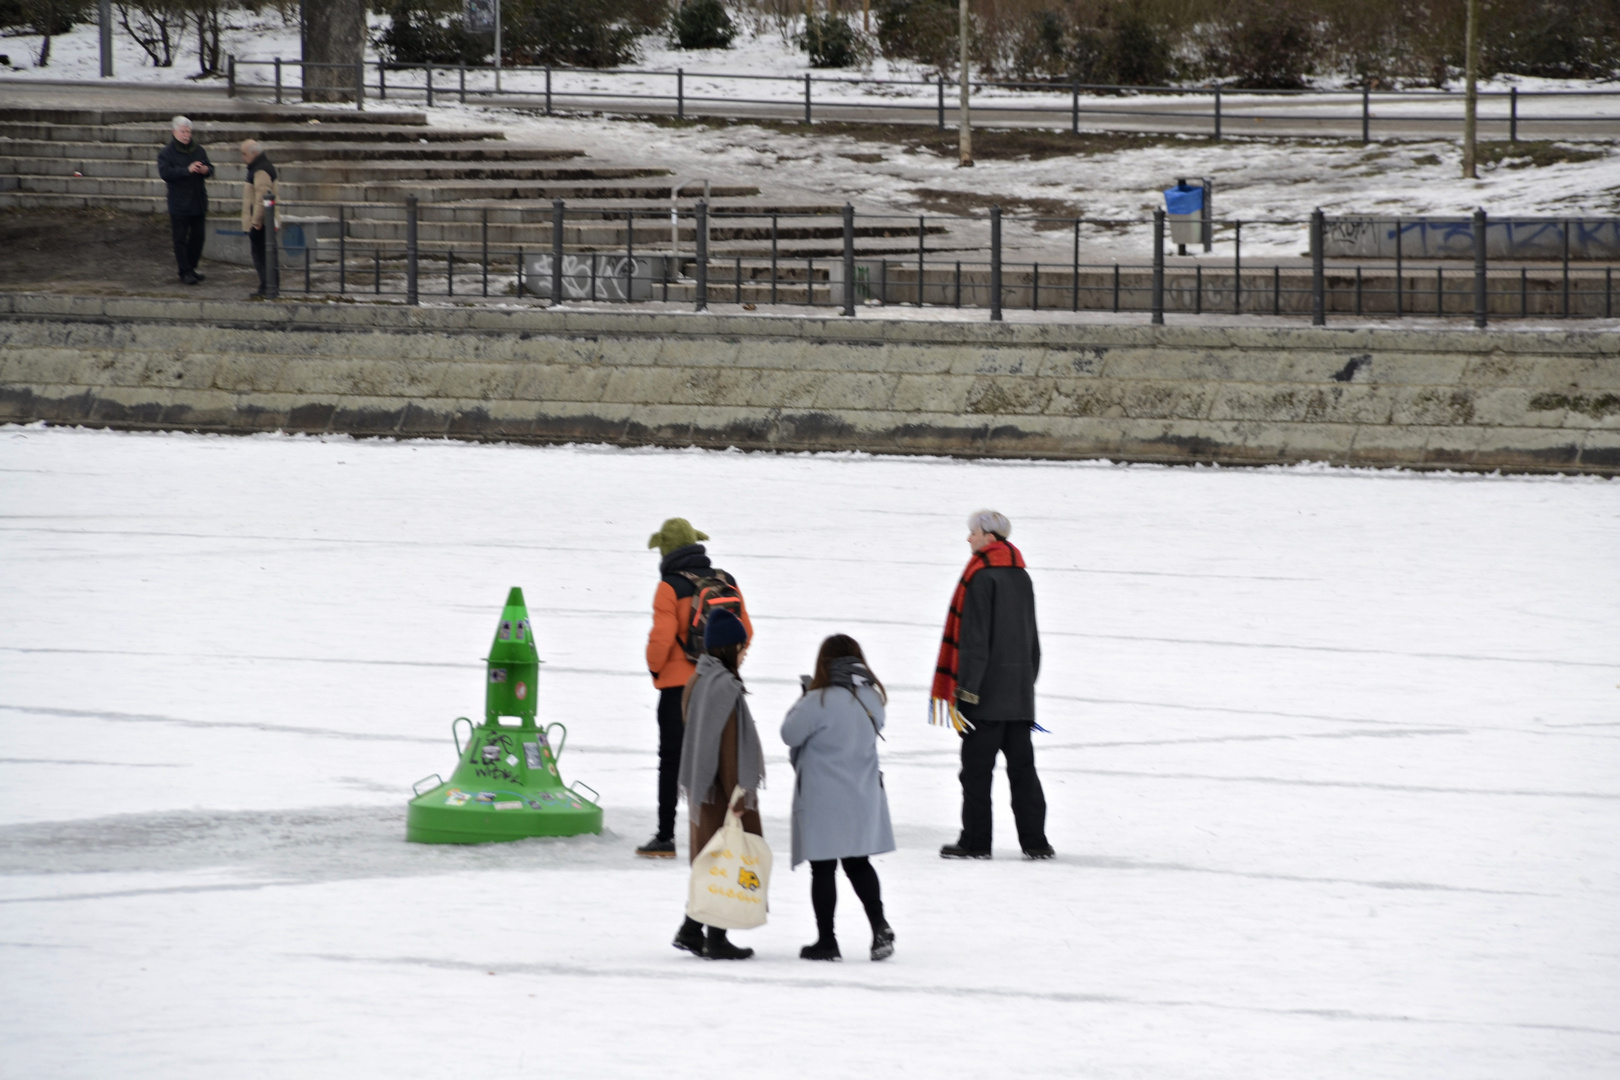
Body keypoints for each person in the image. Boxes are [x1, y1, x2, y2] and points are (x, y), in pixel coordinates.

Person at [930, 510, 1054, 860]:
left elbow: (974, 643)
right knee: (1023, 774)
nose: (968, 538)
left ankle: (976, 841)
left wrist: (965, 696)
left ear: (989, 536)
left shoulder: (981, 578)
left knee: (975, 773)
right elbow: (1032, 640)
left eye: (972, 533)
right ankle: (1035, 842)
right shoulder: (1020, 576)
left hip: (985, 699)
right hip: (1018, 698)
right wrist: (1026, 686)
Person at [640, 518, 753, 859]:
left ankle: (665, 837)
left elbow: (661, 638)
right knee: (720, 761)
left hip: (677, 688)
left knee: (671, 760)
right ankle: (725, 833)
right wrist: (727, 667)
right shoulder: (725, 581)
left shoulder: (669, 586)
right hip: (718, 685)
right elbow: (744, 630)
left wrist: (656, 668)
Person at [781, 635, 896, 962]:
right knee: (859, 863)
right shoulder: (871, 697)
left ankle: (827, 940)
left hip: (823, 797)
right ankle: (879, 926)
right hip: (862, 793)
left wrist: (802, 698)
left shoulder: (819, 699)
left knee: (823, 869)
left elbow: (789, 734)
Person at [672, 608, 764, 961]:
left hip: (700, 784)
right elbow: (727, 743)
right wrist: (739, 794)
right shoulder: (724, 687)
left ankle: (692, 930)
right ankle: (715, 939)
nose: (744, 652)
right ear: (728, 648)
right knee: (724, 862)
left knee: (710, 862)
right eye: (741, 646)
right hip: (721, 791)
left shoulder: (698, 679)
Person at [156, 116, 213, 286]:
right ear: (175, 132)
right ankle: (184, 270)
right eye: (183, 131)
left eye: (188, 131)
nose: (186, 135)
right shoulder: (166, 153)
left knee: (199, 237)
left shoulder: (199, 150)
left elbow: (211, 168)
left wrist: (205, 170)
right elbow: (165, 174)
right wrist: (187, 170)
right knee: (180, 238)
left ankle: (192, 267)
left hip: (198, 201)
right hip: (179, 203)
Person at [238, 140, 279, 297]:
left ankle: (268, 288)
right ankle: (268, 287)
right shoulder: (260, 167)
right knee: (264, 256)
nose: (243, 158)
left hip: (261, 223)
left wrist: (256, 222)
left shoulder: (260, 170)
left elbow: (262, 197)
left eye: (244, 154)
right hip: (263, 221)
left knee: (263, 256)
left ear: (254, 154)